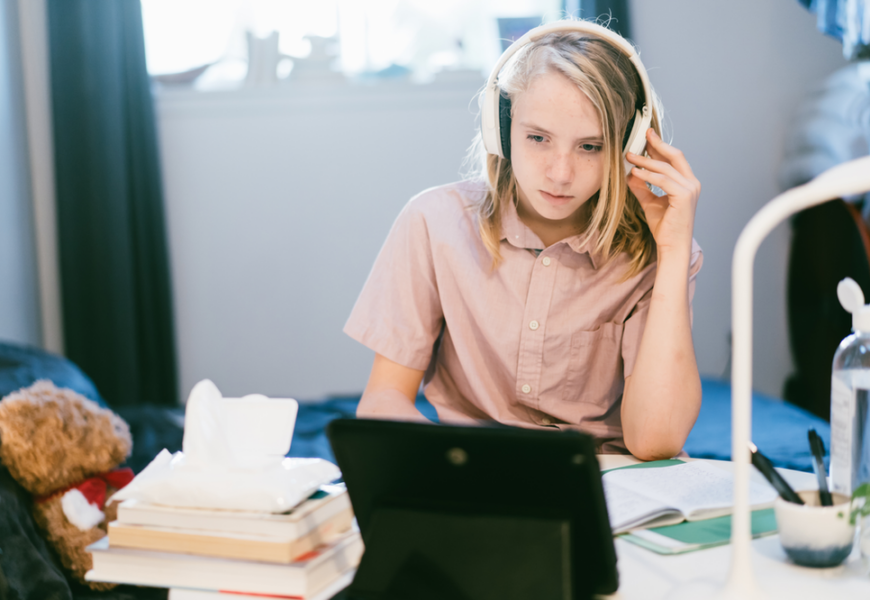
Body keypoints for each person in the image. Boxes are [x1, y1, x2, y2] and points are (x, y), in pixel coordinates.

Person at [344, 20, 703, 461]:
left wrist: (673, 252)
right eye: (538, 138)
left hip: (605, 479)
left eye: (590, 147)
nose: (560, 173)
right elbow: (383, 402)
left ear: (627, 147)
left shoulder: (656, 254)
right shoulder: (432, 223)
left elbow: (655, 440)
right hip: (472, 470)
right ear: (500, 129)